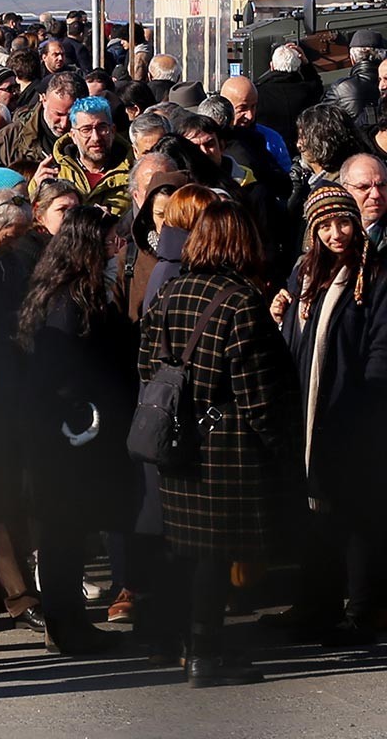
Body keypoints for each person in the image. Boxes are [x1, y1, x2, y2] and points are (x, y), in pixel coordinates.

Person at [138, 199, 299, 686]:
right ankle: (206, 655)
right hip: (226, 446)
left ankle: (191, 645)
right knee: (213, 555)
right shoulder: (240, 301)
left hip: (177, 439)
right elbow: (258, 396)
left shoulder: (170, 292)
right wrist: (285, 451)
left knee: (187, 551)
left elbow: (148, 367)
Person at [16, 206, 138, 655]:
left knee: (67, 533)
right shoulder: (69, 301)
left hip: (72, 436)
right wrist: (84, 412)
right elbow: (56, 373)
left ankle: (68, 625)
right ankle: (65, 627)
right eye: (109, 241)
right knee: (62, 536)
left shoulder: (76, 293)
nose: (116, 248)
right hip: (67, 440)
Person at [270, 185, 383, 644]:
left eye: (344, 223)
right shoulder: (303, 273)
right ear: (312, 230)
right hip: (309, 414)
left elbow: (381, 347)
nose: (336, 233)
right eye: (325, 225)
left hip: (352, 414)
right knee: (315, 514)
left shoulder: (373, 274)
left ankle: (363, 611)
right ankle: (315, 604)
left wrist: (368, 409)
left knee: (357, 516)